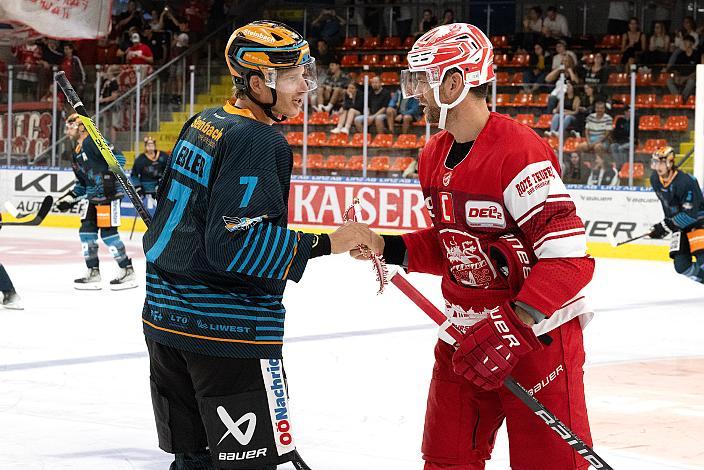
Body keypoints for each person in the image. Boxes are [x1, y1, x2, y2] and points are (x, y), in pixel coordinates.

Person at [141, 20, 381, 470]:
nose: (304, 87)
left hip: (164, 325)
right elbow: (235, 244)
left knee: (193, 462)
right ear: (256, 82)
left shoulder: (204, 122)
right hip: (226, 336)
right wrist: (328, 242)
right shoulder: (256, 139)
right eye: (292, 77)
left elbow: (179, 225)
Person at [380, 22, 595, 469]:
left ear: (455, 83)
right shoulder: (432, 153)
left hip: (536, 336)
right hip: (464, 336)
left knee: (549, 464)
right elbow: (455, 250)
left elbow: (568, 256)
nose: (414, 91)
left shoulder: (519, 151)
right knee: (446, 459)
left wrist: (515, 324)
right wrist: (387, 246)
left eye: (422, 78)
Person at [56, 114, 136, 290]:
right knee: (86, 233)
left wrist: (109, 179)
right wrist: (68, 199)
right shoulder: (75, 154)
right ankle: (93, 271)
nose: (67, 130)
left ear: (82, 127)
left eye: (71, 125)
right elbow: (81, 185)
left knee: (108, 235)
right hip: (93, 198)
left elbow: (119, 159)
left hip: (108, 197)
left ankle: (127, 270)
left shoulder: (94, 141)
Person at [648, 146, 704, 284]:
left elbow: (690, 215)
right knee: (682, 266)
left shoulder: (687, 182)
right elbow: (667, 205)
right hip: (680, 227)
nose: (657, 166)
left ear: (670, 162)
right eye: (655, 162)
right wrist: (664, 226)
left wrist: (666, 226)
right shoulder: (655, 179)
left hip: (699, 223)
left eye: (660, 162)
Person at [130, 136, 168, 210]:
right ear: (145, 146)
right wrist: (138, 187)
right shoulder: (140, 159)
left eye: (152, 144)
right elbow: (134, 174)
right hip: (146, 185)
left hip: (160, 184)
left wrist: (162, 182)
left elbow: (169, 170)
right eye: (148, 145)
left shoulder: (163, 156)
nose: (150, 146)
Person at [664, 35, 700, 102]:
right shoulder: (681, 55)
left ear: (691, 43)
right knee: (669, 80)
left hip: (691, 77)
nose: (685, 43)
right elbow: (676, 68)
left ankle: (683, 99)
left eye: (687, 41)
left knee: (691, 81)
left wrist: (685, 78)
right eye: (684, 42)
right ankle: (678, 98)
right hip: (681, 76)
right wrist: (677, 75)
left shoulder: (697, 55)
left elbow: (698, 71)